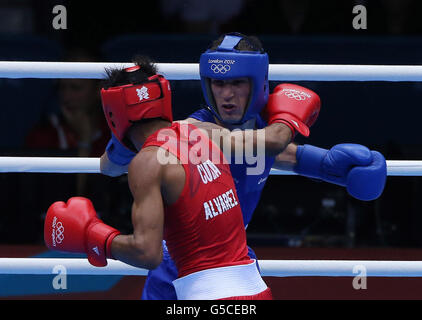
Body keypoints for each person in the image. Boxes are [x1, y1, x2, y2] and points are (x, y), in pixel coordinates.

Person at [100, 32, 387, 300]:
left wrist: (338, 170)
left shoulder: (259, 133)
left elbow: (285, 154)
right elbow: (272, 141)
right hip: (176, 263)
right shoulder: (196, 130)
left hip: (232, 259)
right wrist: (125, 135)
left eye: (237, 83)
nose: (227, 94)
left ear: (257, 81)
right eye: (219, 83)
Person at [43, 55, 320, 300]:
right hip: (255, 289)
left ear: (113, 113)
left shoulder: (147, 162)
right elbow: (273, 142)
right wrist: (286, 120)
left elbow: (147, 254)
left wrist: (95, 237)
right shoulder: (205, 134)